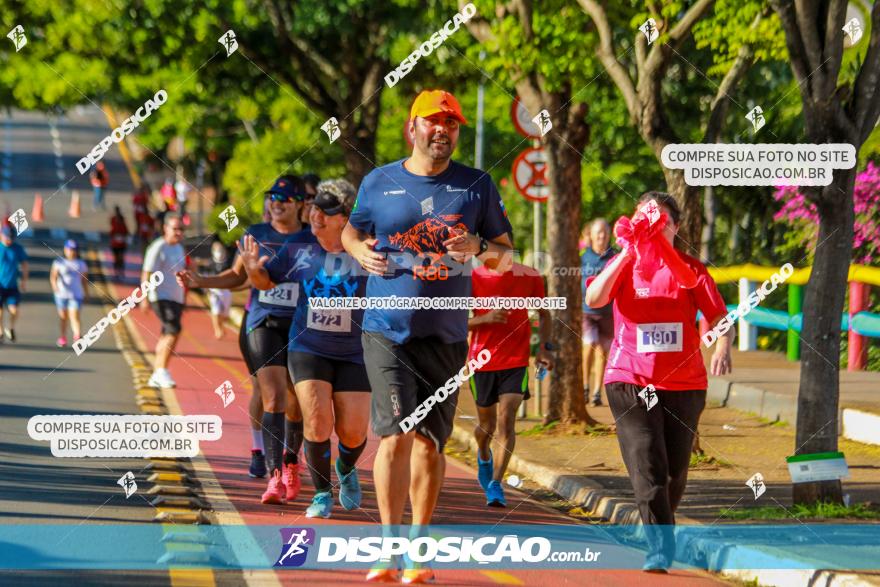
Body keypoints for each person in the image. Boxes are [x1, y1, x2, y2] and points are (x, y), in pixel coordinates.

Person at [343, 89, 513, 583]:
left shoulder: (476, 186)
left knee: (429, 445)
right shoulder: (379, 182)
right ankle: (387, 550)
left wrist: (479, 245)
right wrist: (358, 253)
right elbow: (353, 232)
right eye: (434, 121)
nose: (444, 129)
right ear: (412, 127)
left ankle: (418, 550)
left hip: (446, 334)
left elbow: (504, 256)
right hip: (387, 331)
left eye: (453, 123)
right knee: (394, 434)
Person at [585, 192, 733, 572]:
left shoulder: (691, 269)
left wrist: (721, 347)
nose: (653, 226)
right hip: (629, 377)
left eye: (662, 220)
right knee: (648, 457)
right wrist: (627, 252)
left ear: (677, 227)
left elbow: (718, 315)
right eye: (645, 218)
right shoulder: (625, 265)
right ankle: (660, 547)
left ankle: (658, 527)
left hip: (683, 384)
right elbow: (594, 297)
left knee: (674, 472)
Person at [241, 179, 370, 519]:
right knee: (316, 422)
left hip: (356, 352)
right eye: (314, 209)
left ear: (344, 218)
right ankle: (322, 493)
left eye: (325, 211)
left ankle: (345, 466)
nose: (315, 216)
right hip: (308, 347)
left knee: (353, 432)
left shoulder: (368, 248)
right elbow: (267, 281)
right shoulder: (300, 246)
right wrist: (254, 271)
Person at [177, 176, 309, 504]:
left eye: (284, 198)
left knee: (298, 402)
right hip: (262, 322)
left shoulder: (313, 239)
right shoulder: (256, 235)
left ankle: (292, 462)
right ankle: (274, 476)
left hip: (302, 326)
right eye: (272, 197)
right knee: (273, 397)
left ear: (300, 205)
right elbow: (237, 277)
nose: (276, 202)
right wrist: (201, 281)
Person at [468, 261, 554, 507]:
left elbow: (544, 314)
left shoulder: (529, 275)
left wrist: (545, 349)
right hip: (482, 362)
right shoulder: (471, 277)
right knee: (486, 426)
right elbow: (455, 323)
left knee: (506, 421)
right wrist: (485, 319)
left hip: (515, 361)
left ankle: (496, 483)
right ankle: (484, 455)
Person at [142, 214, 188, 389]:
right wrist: (145, 298)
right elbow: (147, 272)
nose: (178, 232)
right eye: (174, 228)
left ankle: (157, 373)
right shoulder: (158, 247)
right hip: (160, 296)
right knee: (174, 329)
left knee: (167, 334)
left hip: (176, 297)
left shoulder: (179, 248)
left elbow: (180, 272)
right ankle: (161, 370)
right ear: (165, 228)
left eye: (181, 229)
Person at [580, 218, 615, 407]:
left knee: (603, 351)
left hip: (608, 312)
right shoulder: (582, 257)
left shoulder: (614, 256)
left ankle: (596, 393)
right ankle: (585, 387)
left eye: (605, 232)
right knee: (589, 344)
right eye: (598, 232)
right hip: (587, 311)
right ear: (591, 235)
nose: (602, 236)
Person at [49, 240, 88, 347]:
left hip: (76, 294)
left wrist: (86, 292)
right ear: (65, 250)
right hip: (61, 295)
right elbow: (53, 276)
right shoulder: (59, 262)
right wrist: (55, 287)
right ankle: (63, 337)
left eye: (74, 250)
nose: (72, 252)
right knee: (63, 317)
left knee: (75, 315)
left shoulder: (81, 264)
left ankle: (77, 336)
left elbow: (84, 280)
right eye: (70, 249)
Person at [0, 224, 28, 343]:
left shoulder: (18, 248)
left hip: (12, 286)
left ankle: (10, 328)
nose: (9, 240)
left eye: (11, 238)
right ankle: (0, 331)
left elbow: (24, 265)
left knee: (14, 310)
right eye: (7, 237)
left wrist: (23, 281)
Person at [204, 240, 233, 339]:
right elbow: (206, 277)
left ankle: (221, 325)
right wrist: (207, 289)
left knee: (225, 315)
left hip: (226, 290)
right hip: (214, 291)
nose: (219, 252)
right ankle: (217, 330)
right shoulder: (210, 263)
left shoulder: (229, 263)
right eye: (216, 250)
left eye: (220, 250)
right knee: (215, 310)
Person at [110, 206, 129, 280]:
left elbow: (126, 232)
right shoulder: (113, 219)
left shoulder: (122, 222)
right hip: (115, 244)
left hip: (122, 244)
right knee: (116, 258)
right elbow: (111, 232)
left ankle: (121, 271)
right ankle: (116, 272)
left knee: (121, 258)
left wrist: (123, 237)